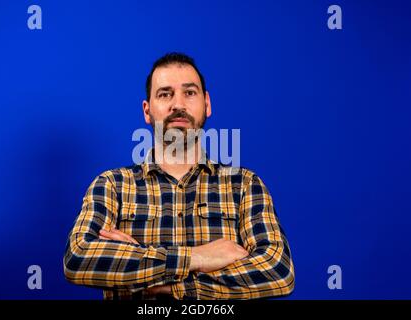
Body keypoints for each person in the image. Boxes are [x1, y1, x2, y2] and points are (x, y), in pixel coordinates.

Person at [63, 52, 295, 300]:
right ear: (147, 111)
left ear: (207, 104)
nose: (178, 105)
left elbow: (278, 271)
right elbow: (79, 258)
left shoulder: (244, 185)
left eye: (189, 93)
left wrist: (157, 276)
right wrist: (199, 257)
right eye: (165, 94)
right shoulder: (112, 185)